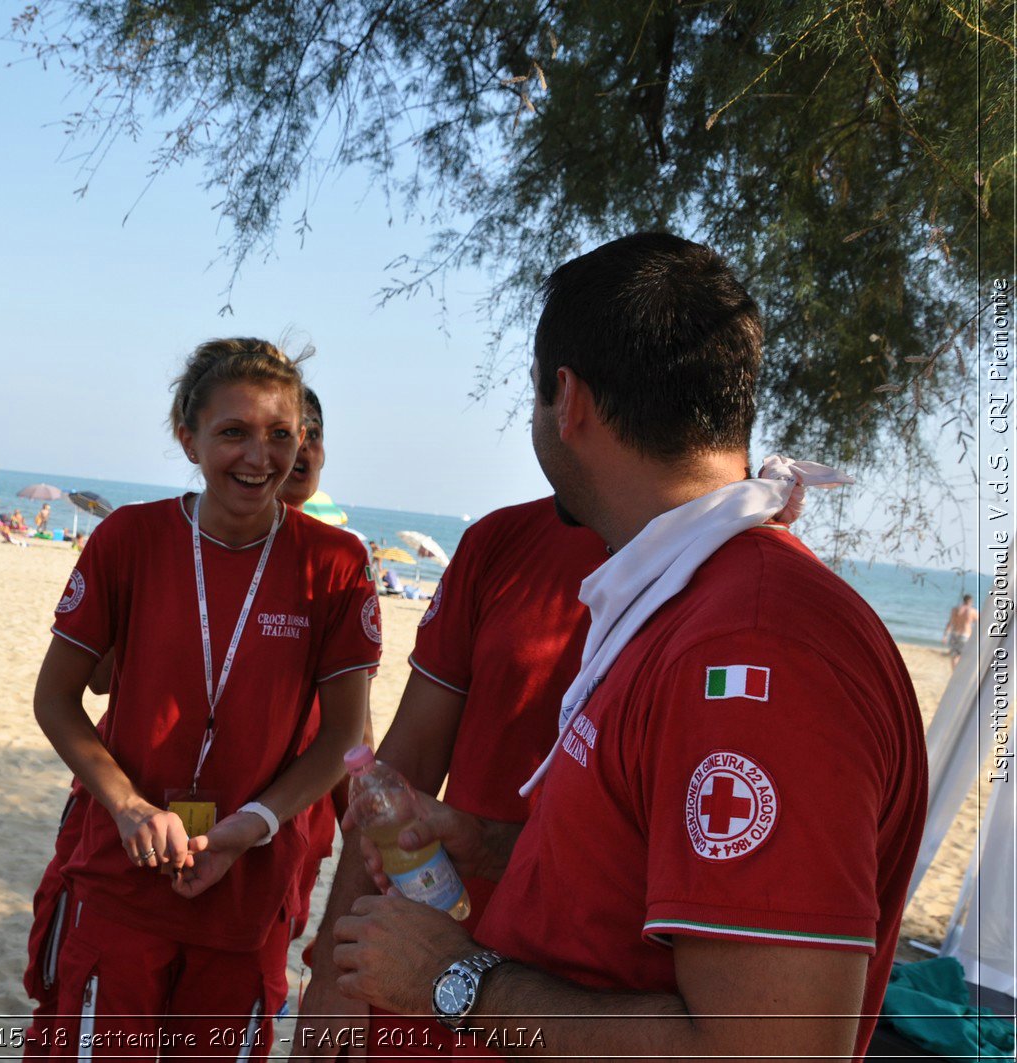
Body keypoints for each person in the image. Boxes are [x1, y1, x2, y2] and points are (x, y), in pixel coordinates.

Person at [329, 233, 926, 1059]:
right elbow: (655, 885)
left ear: (566, 399)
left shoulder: (752, 652)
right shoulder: (683, 599)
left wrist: (458, 982)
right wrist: (497, 843)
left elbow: (773, 1047)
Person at [27, 339, 379, 1057]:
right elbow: (56, 698)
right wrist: (126, 805)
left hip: (247, 888)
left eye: (281, 434)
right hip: (125, 878)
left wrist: (255, 821)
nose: (260, 457)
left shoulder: (336, 565)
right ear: (187, 436)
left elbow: (344, 735)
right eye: (233, 432)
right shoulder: (130, 537)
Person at [291, 497, 607, 1060]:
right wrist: (332, 972)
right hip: (434, 947)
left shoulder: (731, 573)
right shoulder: (502, 540)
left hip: (603, 998)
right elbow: (403, 765)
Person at [943, 593, 978, 667]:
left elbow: (950, 623)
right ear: (971, 601)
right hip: (965, 635)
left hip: (954, 634)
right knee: (964, 656)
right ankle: (959, 675)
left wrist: (945, 635)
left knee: (954, 656)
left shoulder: (954, 610)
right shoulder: (972, 611)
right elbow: (980, 623)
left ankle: (954, 673)